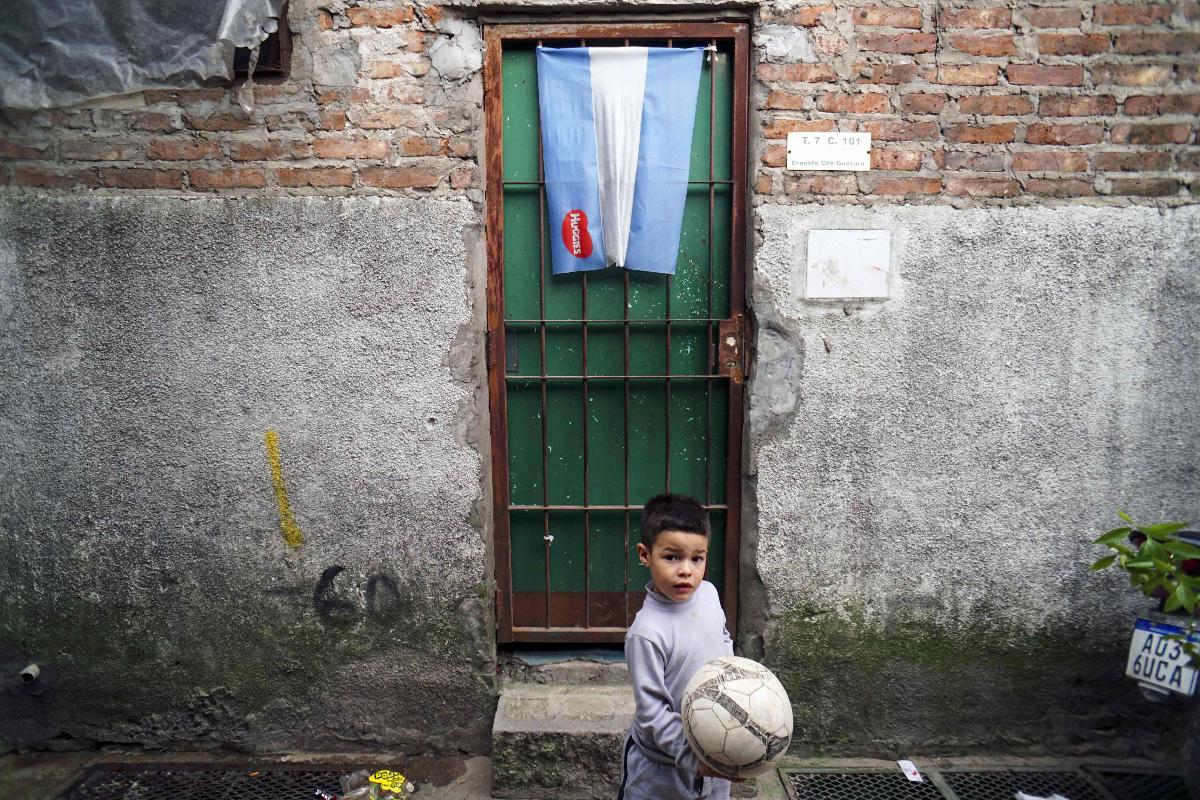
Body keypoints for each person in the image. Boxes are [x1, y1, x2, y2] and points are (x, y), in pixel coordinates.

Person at [618, 493, 735, 800]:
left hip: (714, 749)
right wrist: (692, 757)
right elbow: (651, 713)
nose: (686, 570)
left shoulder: (709, 594)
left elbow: (723, 640)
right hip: (661, 769)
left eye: (697, 558)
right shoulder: (646, 633)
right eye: (672, 557)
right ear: (645, 555)